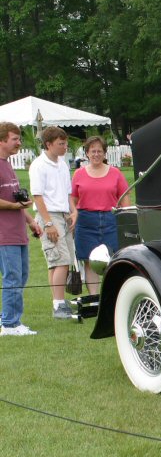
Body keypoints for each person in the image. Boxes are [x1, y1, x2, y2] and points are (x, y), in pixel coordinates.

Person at [0, 122, 44, 335]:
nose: (19, 142)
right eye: (15, 139)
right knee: (12, 278)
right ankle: (10, 324)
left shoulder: (8, 165)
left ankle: (7, 318)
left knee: (22, 276)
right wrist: (15, 206)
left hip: (18, 232)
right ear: (2, 140)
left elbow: (16, 200)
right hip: (4, 234)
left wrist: (31, 221)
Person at [29, 126, 77, 319]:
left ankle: (58, 302)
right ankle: (59, 306)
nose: (65, 147)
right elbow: (37, 196)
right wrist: (48, 223)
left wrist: (73, 212)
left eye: (65, 143)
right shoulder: (39, 165)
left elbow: (67, 193)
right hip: (48, 215)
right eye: (60, 144)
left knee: (58, 262)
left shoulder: (63, 164)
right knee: (61, 260)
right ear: (48, 144)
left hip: (63, 214)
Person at [71, 136, 129, 294]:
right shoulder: (79, 174)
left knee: (113, 259)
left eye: (99, 151)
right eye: (92, 151)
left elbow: (124, 198)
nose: (96, 154)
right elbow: (73, 199)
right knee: (90, 261)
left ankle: (112, 295)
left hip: (110, 219)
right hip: (86, 221)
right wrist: (73, 215)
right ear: (87, 153)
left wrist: (127, 218)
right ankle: (94, 297)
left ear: (105, 154)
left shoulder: (115, 173)